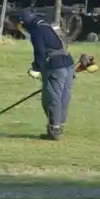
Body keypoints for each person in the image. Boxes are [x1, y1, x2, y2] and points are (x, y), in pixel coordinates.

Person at [16, 10, 74, 140]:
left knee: (51, 99)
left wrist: (36, 68)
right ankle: (59, 125)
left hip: (55, 67)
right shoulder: (48, 26)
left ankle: (54, 131)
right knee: (64, 97)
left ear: (25, 23)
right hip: (68, 65)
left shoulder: (37, 31)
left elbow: (40, 52)